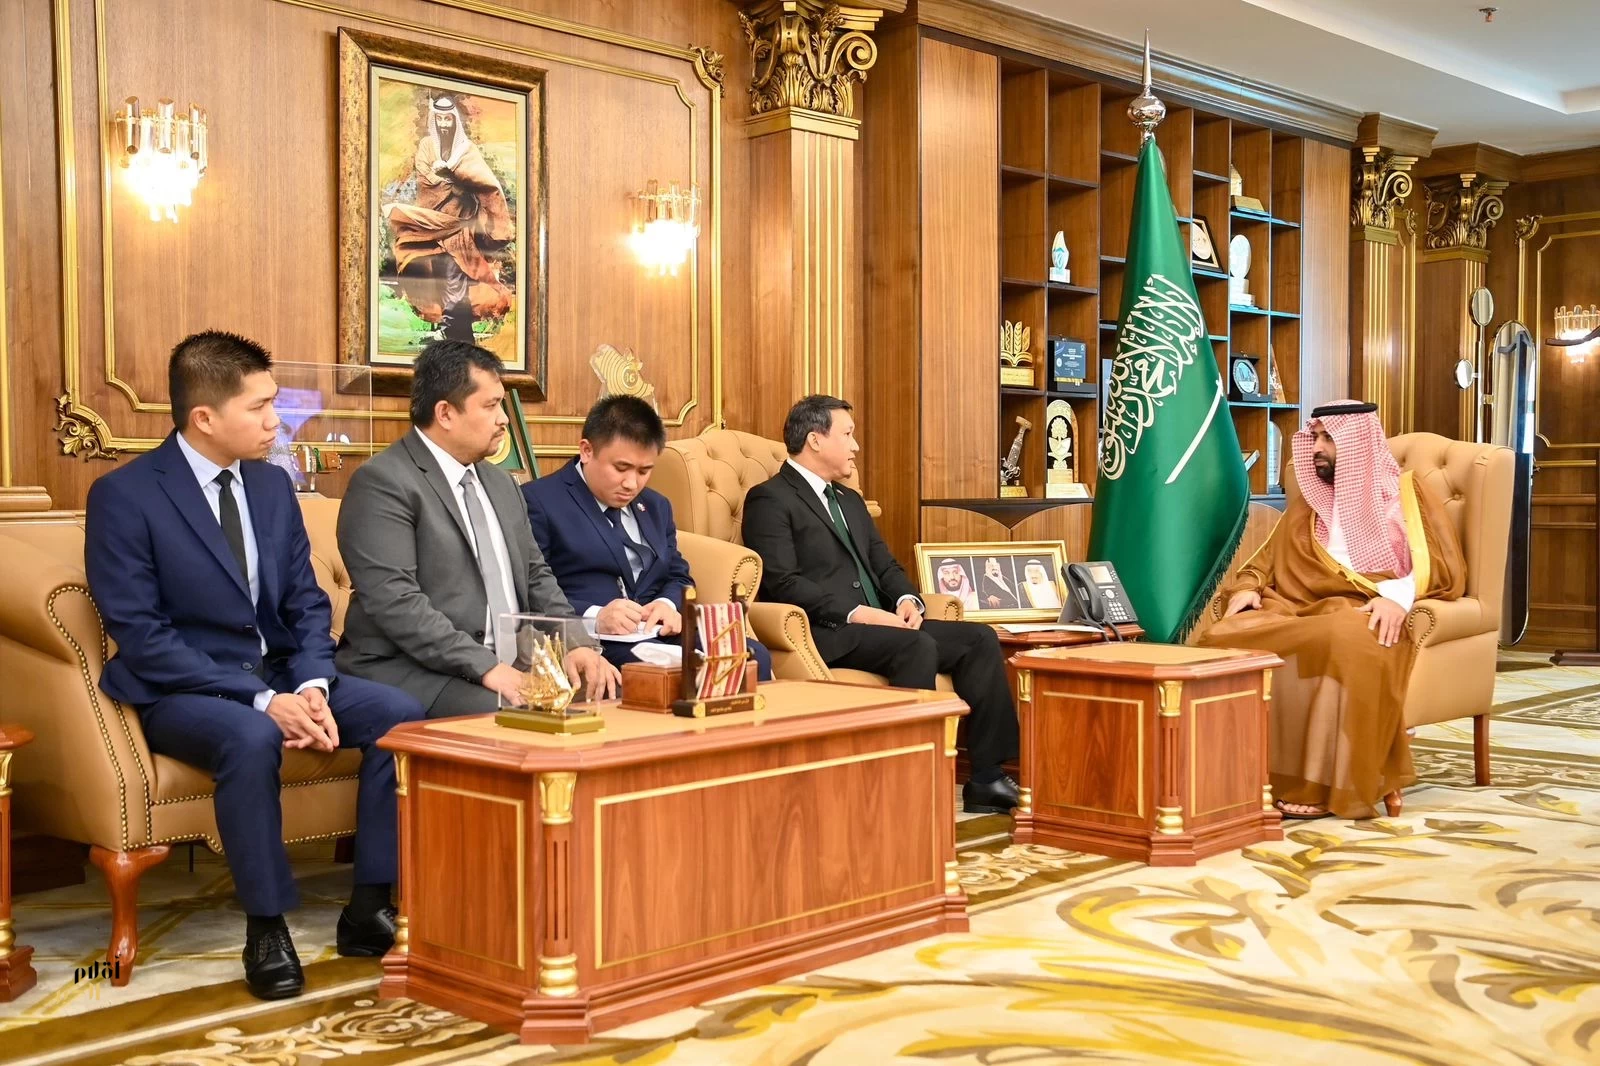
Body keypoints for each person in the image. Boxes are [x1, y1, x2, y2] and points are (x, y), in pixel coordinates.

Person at [84, 331, 425, 1001]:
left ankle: (368, 908)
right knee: (250, 735)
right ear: (204, 417)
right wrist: (264, 701)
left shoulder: (270, 486)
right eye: (261, 407)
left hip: (280, 674)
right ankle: (266, 928)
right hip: (183, 689)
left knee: (400, 715)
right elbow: (144, 637)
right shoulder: (125, 496)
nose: (278, 421)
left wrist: (314, 683)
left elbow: (306, 602)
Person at [741, 395, 1021, 813]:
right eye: (848, 434)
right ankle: (912, 780)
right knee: (917, 645)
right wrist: (857, 613)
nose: (856, 446)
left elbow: (884, 565)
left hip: (883, 626)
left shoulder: (849, 500)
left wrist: (907, 600)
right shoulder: (770, 499)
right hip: (829, 630)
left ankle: (986, 778)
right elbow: (782, 581)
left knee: (979, 639)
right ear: (815, 440)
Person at [1197, 401, 1466, 820]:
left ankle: (1320, 785)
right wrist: (1248, 588)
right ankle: (1228, 775)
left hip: (1364, 608)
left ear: (1356, 442)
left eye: (1328, 438)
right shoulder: (1309, 504)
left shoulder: (1405, 496)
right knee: (1221, 636)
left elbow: (1440, 565)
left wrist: (1397, 598)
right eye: (1315, 437)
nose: (1316, 448)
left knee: (1345, 636)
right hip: (1295, 607)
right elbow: (1265, 559)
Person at [336, 340, 619, 717]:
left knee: (609, 696)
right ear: (445, 413)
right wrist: (488, 669)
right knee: (522, 715)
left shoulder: (501, 483)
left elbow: (535, 575)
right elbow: (397, 602)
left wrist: (575, 642)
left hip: (506, 663)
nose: (504, 418)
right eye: (491, 406)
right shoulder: (384, 483)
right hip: (414, 670)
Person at [522, 395, 773, 679]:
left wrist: (667, 604)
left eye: (644, 471)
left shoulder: (656, 506)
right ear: (587, 451)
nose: (632, 484)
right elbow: (530, 588)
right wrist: (595, 617)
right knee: (667, 671)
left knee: (752, 655)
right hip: (597, 639)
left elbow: (678, 574)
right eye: (621, 468)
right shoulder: (539, 501)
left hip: (659, 632)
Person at [383, 94, 513, 342]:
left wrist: (455, 176)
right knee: (434, 276)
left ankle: (456, 334)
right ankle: (453, 333)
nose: (444, 124)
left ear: (455, 121)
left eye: (448, 119)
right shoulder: (426, 146)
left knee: (455, 273)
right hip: (431, 226)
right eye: (439, 119)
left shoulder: (467, 150)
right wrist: (453, 179)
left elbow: (483, 184)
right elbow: (427, 181)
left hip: (459, 229)